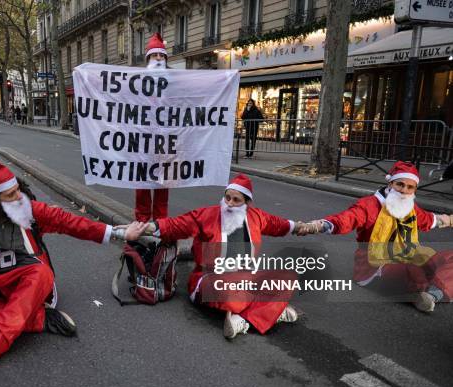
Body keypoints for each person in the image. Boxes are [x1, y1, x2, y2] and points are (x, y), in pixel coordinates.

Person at [0, 155, 145, 383]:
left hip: (33, 278)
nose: (19, 198)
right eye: (10, 195)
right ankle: (39, 319)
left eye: (17, 190)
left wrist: (120, 233)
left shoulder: (33, 211)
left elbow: (74, 224)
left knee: (41, 272)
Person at [125, 174, 301, 339]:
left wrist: (303, 227)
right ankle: (272, 311)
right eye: (227, 197)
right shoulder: (208, 215)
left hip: (243, 279)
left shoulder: (256, 216)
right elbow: (176, 225)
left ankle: (243, 320)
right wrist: (145, 228)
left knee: (288, 278)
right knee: (233, 292)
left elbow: (279, 225)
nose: (230, 203)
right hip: (208, 279)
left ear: (247, 203)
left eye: (236, 200)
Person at [296, 161, 453, 313]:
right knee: (416, 266)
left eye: (410, 187)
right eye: (400, 184)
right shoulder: (370, 205)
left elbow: (430, 219)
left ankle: (431, 294)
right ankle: (434, 288)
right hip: (376, 267)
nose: (404, 191)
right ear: (390, 184)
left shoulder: (410, 207)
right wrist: (315, 226)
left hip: (406, 257)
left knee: (447, 257)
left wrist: (450, 220)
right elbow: (346, 219)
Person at [134, 32, 170, 222]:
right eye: (155, 55)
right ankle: (142, 219)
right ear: (148, 59)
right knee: (142, 183)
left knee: (163, 183)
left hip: (165, 143)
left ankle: (160, 220)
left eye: (161, 55)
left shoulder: (174, 82)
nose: (158, 58)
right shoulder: (137, 81)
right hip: (142, 142)